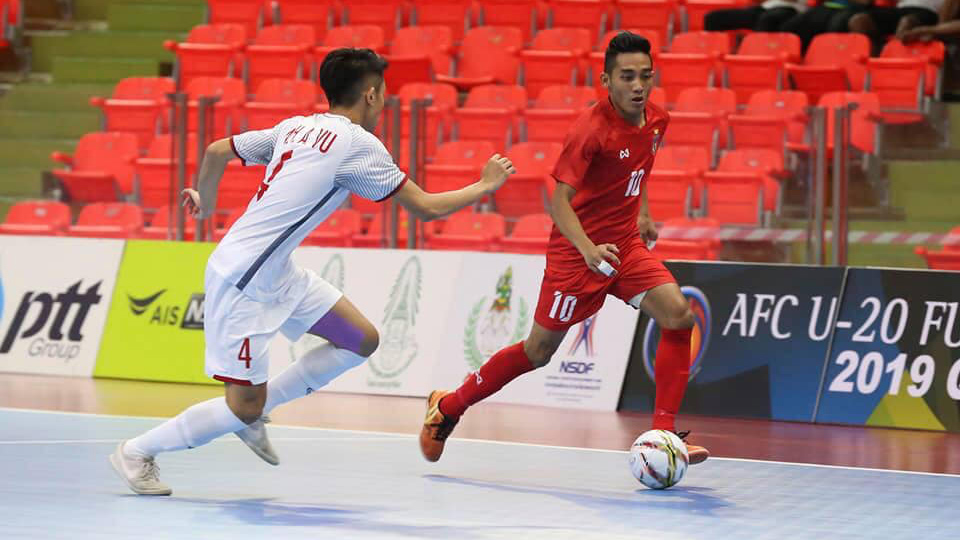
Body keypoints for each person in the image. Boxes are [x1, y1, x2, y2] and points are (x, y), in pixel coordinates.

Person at [109, 48, 516, 496]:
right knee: (242, 407)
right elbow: (425, 208)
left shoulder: (295, 126)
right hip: (242, 282)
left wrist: (203, 200)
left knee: (360, 339)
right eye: (385, 93)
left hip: (276, 271)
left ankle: (256, 413)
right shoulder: (359, 144)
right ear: (372, 94)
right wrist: (485, 185)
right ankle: (137, 451)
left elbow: (216, 150)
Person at [417, 32, 710, 465]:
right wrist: (589, 248)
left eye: (645, 76)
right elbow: (557, 202)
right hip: (578, 256)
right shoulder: (590, 132)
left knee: (679, 315)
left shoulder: (656, 120)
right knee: (538, 352)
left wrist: (643, 212)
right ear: (605, 80)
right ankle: (449, 406)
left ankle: (664, 434)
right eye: (626, 77)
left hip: (624, 246)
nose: (638, 86)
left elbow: (639, 167)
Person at [848, 0, 946, 53]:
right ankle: (874, 65)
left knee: (906, 23)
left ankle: (895, 66)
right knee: (858, 21)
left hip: (929, 11)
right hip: (901, 9)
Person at [780, 0, 873, 50]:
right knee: (791, 26)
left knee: (836, 25)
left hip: (851, 7)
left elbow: (866, 2)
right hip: (827, 6)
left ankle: (830, 58)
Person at [704, 0, 807, 33]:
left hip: (792, 9)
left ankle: (758, 57)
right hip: (765, 7)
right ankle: (712, 63)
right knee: (713, 18)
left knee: (767, 20)